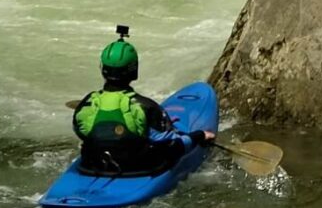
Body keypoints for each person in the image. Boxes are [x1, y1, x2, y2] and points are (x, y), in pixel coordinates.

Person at [72, 26, 215, 176]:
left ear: (102, 69)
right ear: (134, 70)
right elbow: (169, 142)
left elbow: (81, 132)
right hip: (138, 167)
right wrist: (198, 136)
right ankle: (202, 135)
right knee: (173, 147)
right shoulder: (147, 107)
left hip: (93, 164)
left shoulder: (86, 104)